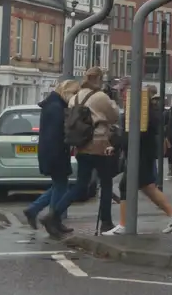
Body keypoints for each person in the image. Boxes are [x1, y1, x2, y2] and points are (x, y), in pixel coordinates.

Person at [106, 90, 172, 235]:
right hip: (145, 156)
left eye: (126, 98)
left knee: (125, 186)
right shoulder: (147, 116)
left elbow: (131, 138)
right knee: (149, 188)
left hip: (139, 157)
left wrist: (115, 143)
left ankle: (123, 224)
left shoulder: (138, 118)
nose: (124, 100)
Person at [67, 67, 123, 235]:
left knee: (81, 185)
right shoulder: (100, 97)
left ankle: (54, 213)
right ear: (98, 79)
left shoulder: (74, 98)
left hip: (81, 145)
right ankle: (106, 222)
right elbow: (114, 116)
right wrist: (112, 101)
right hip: (100, 144)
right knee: (106, 183)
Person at [23, 77, 76, 238]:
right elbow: (55, 134)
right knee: (61, 186)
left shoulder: (53, 105)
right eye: (74, 94)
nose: (74, 98)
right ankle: (52, 220)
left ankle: (34, 210)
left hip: (52, 152)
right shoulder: (56, 108)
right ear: (67, 92)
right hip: (55, 153)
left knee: (59, 185)